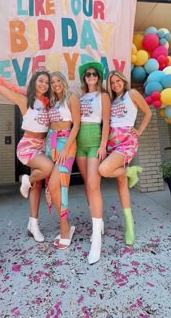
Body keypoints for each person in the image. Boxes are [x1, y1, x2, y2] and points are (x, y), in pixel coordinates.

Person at [0, 58, 54, 243]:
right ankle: (26, 179)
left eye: (46, 82)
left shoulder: (49, 104)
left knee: (37, 186)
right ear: (34, 83)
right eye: (41, 81)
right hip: (28, 146)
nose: (44, 84)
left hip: (43, 147)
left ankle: (33, 224)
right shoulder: (23, 100)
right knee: (47, 168)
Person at [98, 70, 152, 246]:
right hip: (112, 142)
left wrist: (140, 131)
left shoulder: (132, 94)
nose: (115, 85)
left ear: (123, 80)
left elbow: (148, 113)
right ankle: (130, 225)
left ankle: (131, 171)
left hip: (127, 140)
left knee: (104, 170)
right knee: (121, 183)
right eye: (112, 83)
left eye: (117, 81)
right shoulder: (112, 100)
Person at [76, 61, 110, 265]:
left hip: (95, 138)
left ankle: (96, 239)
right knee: (87, 185)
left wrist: (103, 144)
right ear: (84, 78)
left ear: (98, 77)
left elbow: (106, 121)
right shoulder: (81, 98)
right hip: (79, 140)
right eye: (87, 74)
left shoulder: (103, 96)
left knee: (93, 185)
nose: (90, 76)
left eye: (94, 74)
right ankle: (98, 223)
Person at [45, 71, 80, 250]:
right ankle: (66, 223)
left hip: (66, 142)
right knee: (52, 185)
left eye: (58, 80)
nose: (56, 84)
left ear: (63, 81)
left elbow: (77, 124)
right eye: (53, 82)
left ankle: (65, 227)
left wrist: (66, 147)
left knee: (56, 184)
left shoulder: (71, 97)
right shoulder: (51, 102)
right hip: (50, 143)